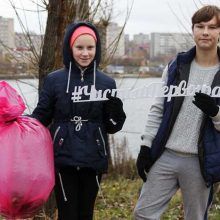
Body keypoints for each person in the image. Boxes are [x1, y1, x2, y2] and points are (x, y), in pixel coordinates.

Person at [31, 21, 126, 220]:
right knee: (67, 214)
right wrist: (18, 124)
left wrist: (117, 114)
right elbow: (41, 116)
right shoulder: (54, 80)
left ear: (96, 49)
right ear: (70, 48)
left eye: (90, 48)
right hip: (63, 156)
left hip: (93, 157)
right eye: (79, 47)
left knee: (85, 213)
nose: (85, 53)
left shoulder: (106, 82)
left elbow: (111, 126)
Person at [134, 5, 220, 220]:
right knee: (142, 215)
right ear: (193, 30)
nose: (205, 32)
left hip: (200, 162)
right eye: (200, 26)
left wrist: (215, 112)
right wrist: (146, 146)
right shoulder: (177, 66)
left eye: (212, 27)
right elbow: (158, 108)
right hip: (166, 154)